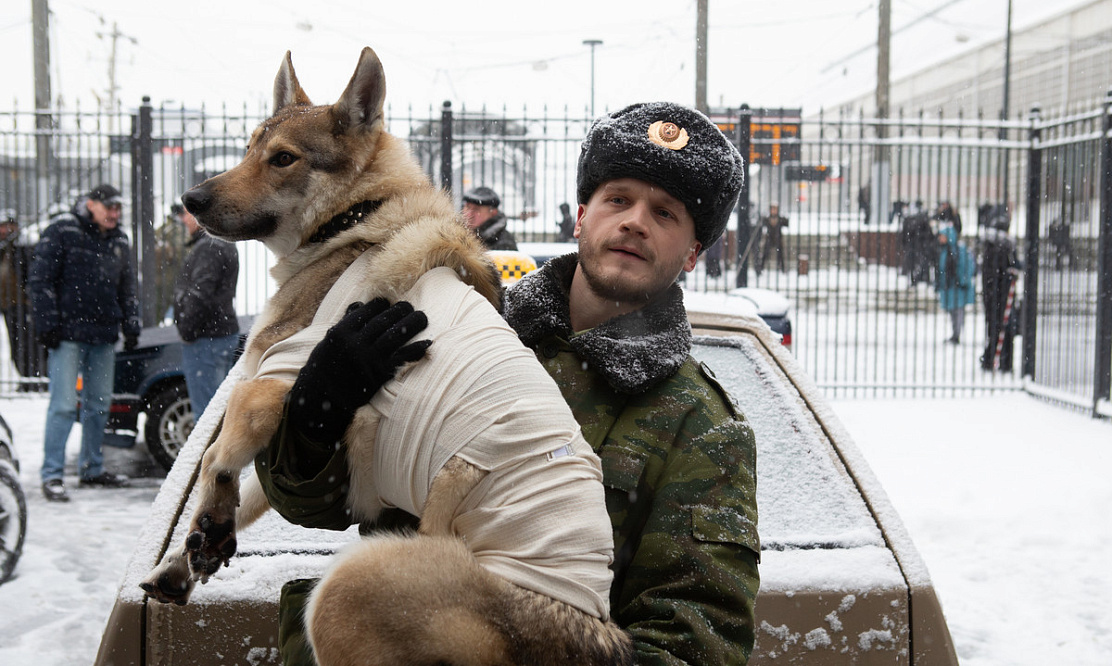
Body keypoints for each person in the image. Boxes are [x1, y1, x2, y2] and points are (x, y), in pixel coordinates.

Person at [261, 102, 760, 665]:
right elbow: (311, 508)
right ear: (581, 217)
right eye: (618, 199)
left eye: (665, 214)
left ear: (693, 254)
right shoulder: (448, 321)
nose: (635, 222)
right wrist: (315, 413)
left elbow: (693, 648)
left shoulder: (701, 426)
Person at [29, 184, 141, 502]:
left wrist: (131, 323)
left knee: (98, 405)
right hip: (67, 335)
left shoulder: (120, 240)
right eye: (109, 207)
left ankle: (92, 469)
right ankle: (52, 475)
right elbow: (40, 279)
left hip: (104, 336)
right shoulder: (63, 230)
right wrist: (48, 324)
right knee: (64, 405)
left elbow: (128, 286)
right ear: (90, 204)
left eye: (119, 208)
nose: (115, 213)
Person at [172, 200, 240, 419]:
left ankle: (206, 454)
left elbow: (201, 294)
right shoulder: (221, 242)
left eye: (186, 213)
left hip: (205, 339)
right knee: (218, 410)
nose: (183, 219)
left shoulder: (209, 247)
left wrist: (187, 331)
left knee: (207, 417)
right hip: (218, 334)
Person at [0, 210, 44, 381]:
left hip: (22, 304)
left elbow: (30, 274)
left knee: (27, 346)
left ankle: (33, 378)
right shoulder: (4, 248)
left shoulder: (22, 247)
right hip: (8, 305)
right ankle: (27, 378)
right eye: (2, 227)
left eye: (7, 226)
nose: (4, 230)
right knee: (16, 346)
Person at [981, 210, 1020, 370]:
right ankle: (1002, 360)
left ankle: (993, 357)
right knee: (1004, 327)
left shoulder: (991, 248)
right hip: (1000, 294)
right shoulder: (1005, 248)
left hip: (992, 294)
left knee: (995, 327)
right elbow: (1011, 269)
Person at [935, 222, 976, 344]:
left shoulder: (958, 250)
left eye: (942, 236)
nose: (940, 238)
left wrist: (963, 280)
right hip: (950, 286)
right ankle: (955, 333)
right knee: (953, 311)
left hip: (957, 286)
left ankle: (956, 334)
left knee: (957, 311)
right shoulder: (945, 250)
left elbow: (967, 266)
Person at [460, 185, 517, 250]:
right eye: (467, 207)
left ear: (493, 213)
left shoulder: (504, 243)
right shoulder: (454, 235)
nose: (469, 214)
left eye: (476, 209)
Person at [758, 202, 788, 273]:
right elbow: (762, 224)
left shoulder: (780, 218)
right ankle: (761, 268)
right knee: (765, 254)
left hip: (778, 238)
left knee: (780, 255)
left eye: (775, 209)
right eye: (772, 209)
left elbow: (786, 224)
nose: (774, 211)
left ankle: (782, 268)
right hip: (769, 238)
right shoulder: (767, 219)